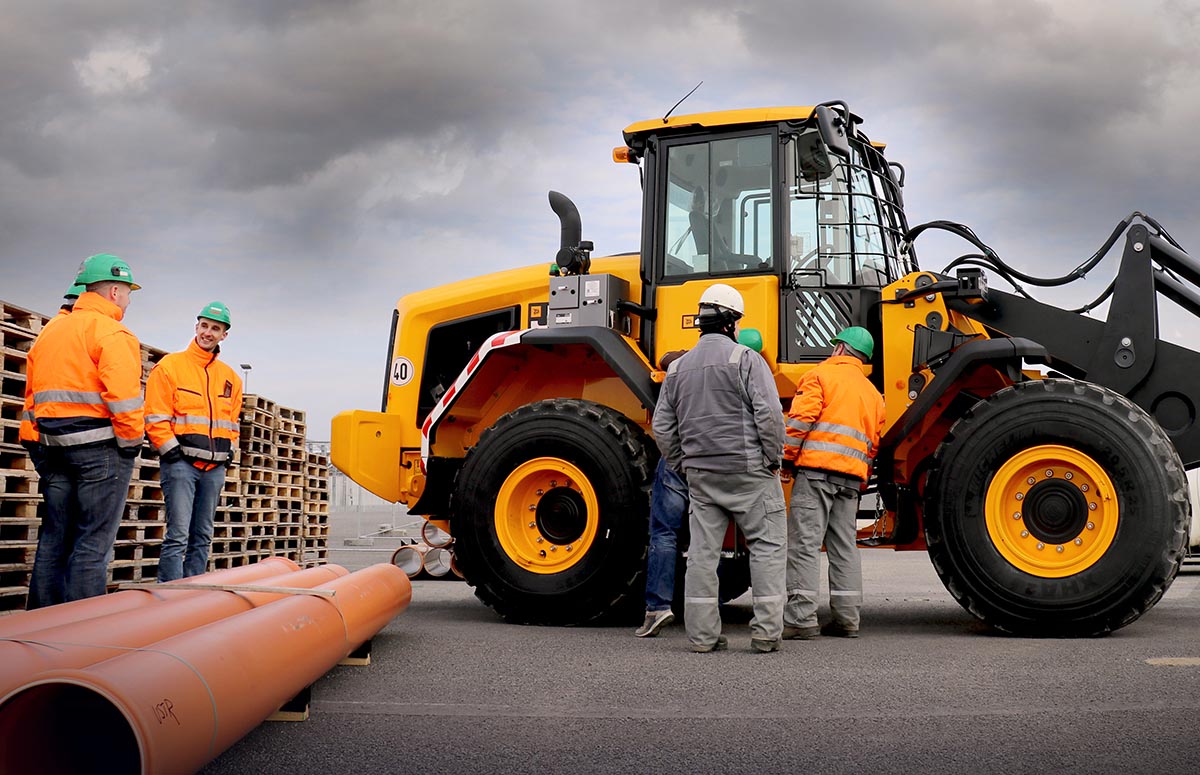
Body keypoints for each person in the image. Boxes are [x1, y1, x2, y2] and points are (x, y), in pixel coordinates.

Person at [652, 283, 787, 653]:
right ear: (731, 323)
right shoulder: (745, 360)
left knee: (702, 554)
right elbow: (770, 415)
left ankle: (702, 636)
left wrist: (683, 464)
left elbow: (662, 426)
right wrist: (772, 458)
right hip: (749, 473)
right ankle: (765, 634)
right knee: (768, 548)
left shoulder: (677, 368)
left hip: (702, 477)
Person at [21, 254, 144, 608]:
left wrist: (40, 447)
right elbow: (123, 399)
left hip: (52, 450)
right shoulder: (113, 333)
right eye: (129, 292)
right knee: (92, 543)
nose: (129, 300)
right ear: (115, 291)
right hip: (100, 452)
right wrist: (131, 444)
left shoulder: (51, 331)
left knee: (54, 538)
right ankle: (83, 634)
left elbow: (33, 395)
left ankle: (40, 624)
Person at [635, 328, 770, 639]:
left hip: (683, 459)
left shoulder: (689, 363)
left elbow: (664, 418)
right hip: (722, 464)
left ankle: (657, 607)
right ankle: (726, 610)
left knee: (666, 534)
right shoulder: (749, 369)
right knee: (723, 542)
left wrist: (676, 460)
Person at [781, 326, 886, 639]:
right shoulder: (873, 394)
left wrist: (787, 458)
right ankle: (847, 619)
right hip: (851, 479)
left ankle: (800, 619)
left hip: (816, 472)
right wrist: (861, 477)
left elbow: (800, 421)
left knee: (804, 545)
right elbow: (873, 443)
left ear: (840, 348)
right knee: (844, 547)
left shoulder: (820, 375)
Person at [146, 301, 243, 581]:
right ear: (196, 327)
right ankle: (169, 594)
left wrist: (230, 452)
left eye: (215, 328)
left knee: (202, 535)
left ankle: (194, 594)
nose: (208, 333)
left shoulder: (231, 378)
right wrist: (171, 452)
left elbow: (232, 424)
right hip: (181, 467)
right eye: (204, 326)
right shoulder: (170, 367)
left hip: (214, 470)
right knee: (178, 534)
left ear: (224, 334)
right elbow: (154, 414)